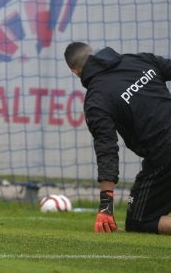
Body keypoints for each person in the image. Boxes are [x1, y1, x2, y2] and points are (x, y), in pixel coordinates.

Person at [64, 42, 171, 234]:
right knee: (137, 199)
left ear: (75, 71)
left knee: (139, 222)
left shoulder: (96, 99)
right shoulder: (137, 59)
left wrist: (106, 206)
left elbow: (107, 150)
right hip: (161, 156)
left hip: (164, 156)